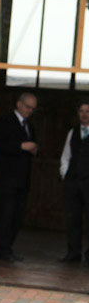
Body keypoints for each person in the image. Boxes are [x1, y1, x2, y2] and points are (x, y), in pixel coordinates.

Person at [0, 92, 38, 262]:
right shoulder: (4, 121)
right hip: (7, 178)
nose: (30, 111)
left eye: (33, 109)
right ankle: (2, 250)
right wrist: (20, 146)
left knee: (17, 216)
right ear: (19, 104)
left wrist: (34, 149)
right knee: (6, 214)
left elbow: (33, 147)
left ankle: (8, 248)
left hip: (22, 179)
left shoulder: (30, 126)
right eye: (28, 107)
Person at [59, 100, 89, 264]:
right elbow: (66, 156)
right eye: (81, 111)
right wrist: (65, 174)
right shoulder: (73, 132)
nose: (84, 114)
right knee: (73, 219)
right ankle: (73, 253)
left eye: (88, 111)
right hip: (73, 183)